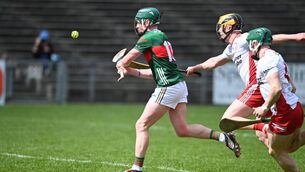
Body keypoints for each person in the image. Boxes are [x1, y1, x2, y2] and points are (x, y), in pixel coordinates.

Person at [116, 8, 240, 172]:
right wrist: (130, 71)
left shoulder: (149, 37)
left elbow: (125, 59)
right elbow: (153, 73)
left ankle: (136, 168)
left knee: (141, 125)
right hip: (178, 86)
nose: (137, 26)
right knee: (183, 130)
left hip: (168, 87)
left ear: (147, 23)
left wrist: (120, 65)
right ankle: (224, 137)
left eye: (139, 22)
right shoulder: (159, 37)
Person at [186, 13, 305, 132]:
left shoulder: (243, 39)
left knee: (228, 119)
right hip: (260, 88)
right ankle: (270, 126)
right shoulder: (231, 48)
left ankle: (265, 125)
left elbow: (269, 38)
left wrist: (295, 37)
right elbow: (214, 61)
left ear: (228, 27)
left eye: (220, 27)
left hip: (257, 86)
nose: (219, 31)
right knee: (267, 141)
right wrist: (195, 68)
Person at [247, 27, 305, 172]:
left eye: (250, 44)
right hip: (294, 108)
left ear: (255, 43)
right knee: (291, 146)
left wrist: (265, 107)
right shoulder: (275, 55)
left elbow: (277, 88)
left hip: (285, 112)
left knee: (275, 151)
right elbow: (288, 83)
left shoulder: (266, 60)